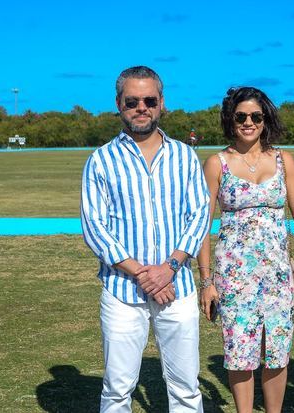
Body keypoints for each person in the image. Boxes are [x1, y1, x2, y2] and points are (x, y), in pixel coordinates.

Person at [81, 66, 210, 412]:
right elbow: (95, 227)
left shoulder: (184, 156)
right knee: (118, 389)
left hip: (176, 288)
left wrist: (168, 268)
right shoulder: (101, 160)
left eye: (149, 100)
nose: (141, 108)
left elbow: (199, 215)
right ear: (118, 104)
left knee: (185, 388)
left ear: (162, 103)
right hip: (122, 293)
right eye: (132, 101)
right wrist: (144, 274)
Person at [197, 87, 294, 413]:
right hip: (234, 278)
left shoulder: (283, 160)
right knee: (239, 351)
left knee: (277, 350)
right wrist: (206, 282)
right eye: (241, 117)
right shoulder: (216, 163)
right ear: (230, 120)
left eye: (255, 116)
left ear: (265, 120)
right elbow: (202, 226)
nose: (248, 122)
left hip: (277, 276)